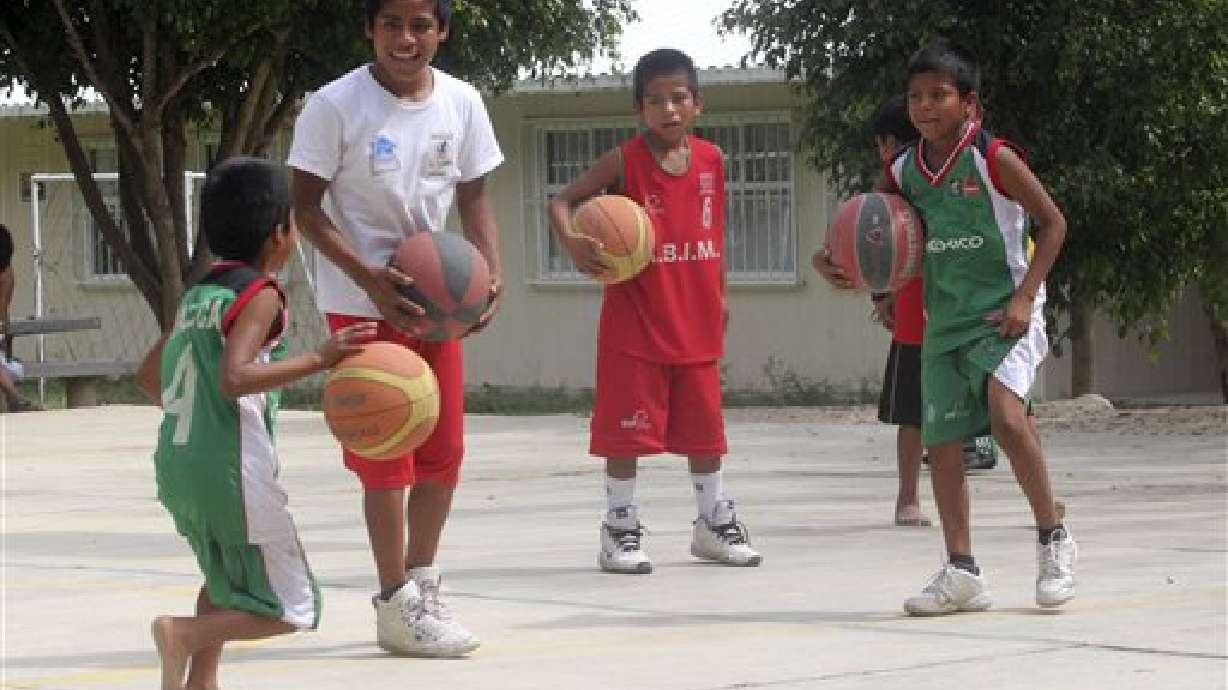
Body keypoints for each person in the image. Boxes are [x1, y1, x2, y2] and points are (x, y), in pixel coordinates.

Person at [817, 39, 1075, 614]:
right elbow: (876, 230)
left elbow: (1054, 224)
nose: (925, 107)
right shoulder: (903, 169)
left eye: (939, 95)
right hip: (946, 319)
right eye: (915, 97)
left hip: (1006, 312)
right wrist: (844, 267)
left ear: (970, 104)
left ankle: (1053, 537)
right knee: (942, 442)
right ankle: (962, 571)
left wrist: (1024, 298)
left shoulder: (993, 158)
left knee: (1007, 418)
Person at [287, 0, 502, 657]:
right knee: (386, 449)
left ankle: (423, 584)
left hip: (436, 303)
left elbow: (474, 196)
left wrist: (489, 274)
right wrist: (369, 279)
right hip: (362, 304)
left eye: (420, 25)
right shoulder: (334, 106)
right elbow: (304, 208)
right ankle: (394, 603)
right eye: (391, 25)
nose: (405, 39)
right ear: (369, 29)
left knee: (444, 452)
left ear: (442, 31)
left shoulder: (462, 102)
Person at [138, 157, 375, 690]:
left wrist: (197, 419)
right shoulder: (260, 296)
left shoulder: (199, 295)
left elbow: (148, 377)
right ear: (280, 234)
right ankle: (182, 635)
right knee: (294, 606)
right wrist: (320, 358)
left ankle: (201, 681)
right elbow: (235, 377)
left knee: (225, 579)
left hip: (179, 465)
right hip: (231, 473)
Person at [547, 48, 761, 575]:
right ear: (639, 109)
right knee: (625, 435)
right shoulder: (624, 161)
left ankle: (712, 523)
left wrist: (722, 294)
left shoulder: (712, 160)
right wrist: (571, 242)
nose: (668, 109)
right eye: (655, 100)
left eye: (678, 98)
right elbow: (562, 201)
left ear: (697, 104)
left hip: (696, 317)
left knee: (706, 434)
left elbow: (715, 233)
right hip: (636, 323)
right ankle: (618, 528)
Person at [0, 223, 42, 412]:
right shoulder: (6, 273)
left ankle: (14, 397)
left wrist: (5, 336)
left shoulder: (7, 274)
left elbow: (2, 309)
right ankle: (15, 397)